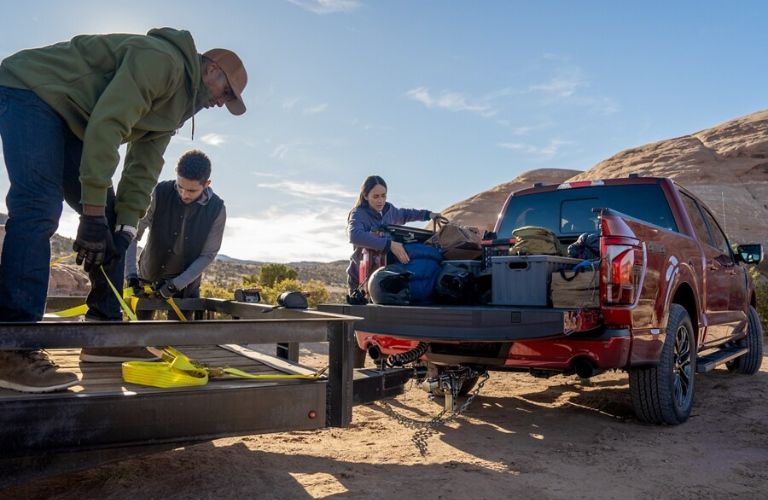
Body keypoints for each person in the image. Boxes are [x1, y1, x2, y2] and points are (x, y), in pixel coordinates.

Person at [0, 28, 247, 393]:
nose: (220, 102)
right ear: (210, 68)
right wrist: (92, 214)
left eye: (229, 100)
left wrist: (122, 227)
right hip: (32, 91)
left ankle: (104, 332)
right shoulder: (161, 62)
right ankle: (11, 350)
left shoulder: (175, 110)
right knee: (38, 206)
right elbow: (107, 125)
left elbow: (143, 169)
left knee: (115, 225)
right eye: (225, 91)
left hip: (72, 117)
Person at [123, 150, 226, 322]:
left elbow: (208, 254)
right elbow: (133, 234)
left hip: (186, 286)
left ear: (207, 184)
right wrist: (131, 275)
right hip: (147, 278)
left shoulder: (217, 209)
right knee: (137, 335)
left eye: (192, 190)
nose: (185, 194)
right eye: (180, 187)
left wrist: (175, 284)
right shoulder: (159, 193)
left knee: (178, 338)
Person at [346, 175, 441, 294]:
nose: (380, 200)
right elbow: (354, 235)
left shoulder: (389, 210)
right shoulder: (358, 213)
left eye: (383, 195)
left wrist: (428, 215)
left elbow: (405, 214)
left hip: (383, 276)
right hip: (360, 279)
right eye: (375, 196)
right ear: (365, 196)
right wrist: (389, 244)